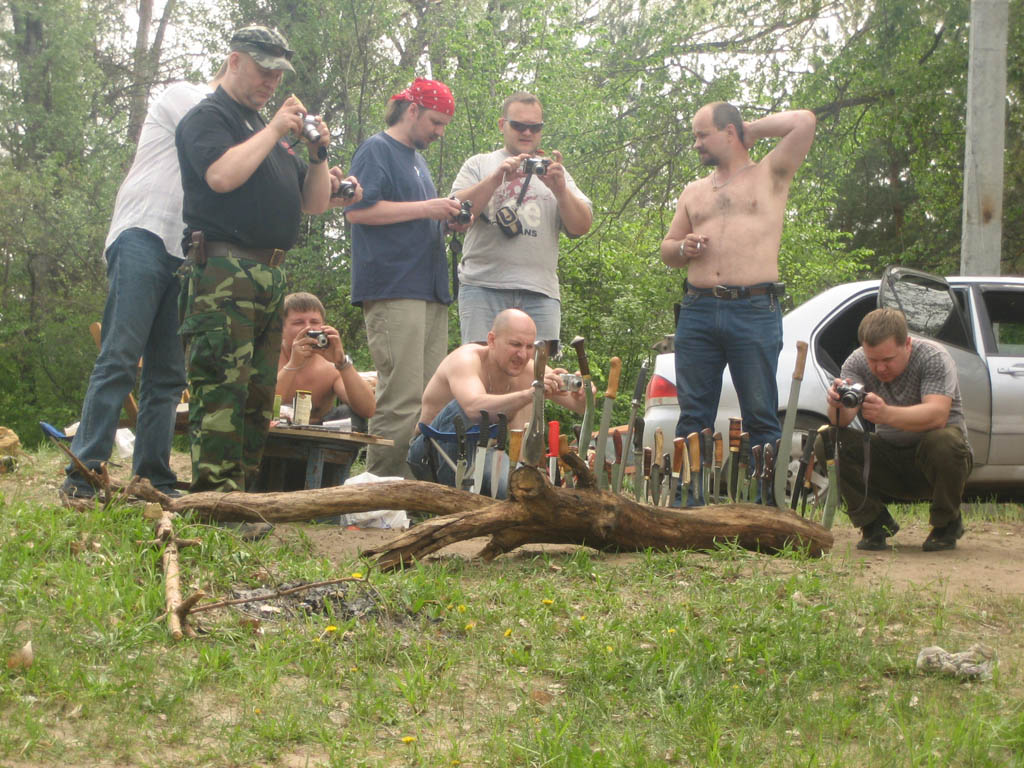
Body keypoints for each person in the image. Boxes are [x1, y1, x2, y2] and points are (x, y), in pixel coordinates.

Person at [175, 25, 355, 493]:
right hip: (223, 270)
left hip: (268, 275)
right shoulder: (209, 117)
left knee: (258, 396)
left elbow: (314, 203)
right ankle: (215, 498)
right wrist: (275, 127)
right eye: (263, 70)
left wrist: (317, 156)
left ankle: (245, 494)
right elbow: (220, 176)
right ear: (234, 61)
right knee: (222, 388)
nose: (271, 82)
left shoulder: (265, 132)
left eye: (278, 74)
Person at [60, 64, 229, 501]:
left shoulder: (239, 124)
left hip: (188, 250)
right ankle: (83, 475)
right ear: (232, 65)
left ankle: (152, 482)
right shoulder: (186, 96)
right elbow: (226, 150)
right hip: (143, 233)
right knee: (119, 355)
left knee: (169, 375)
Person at [660, 102, 816, 505]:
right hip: (698, 309)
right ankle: (687, 504)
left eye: (702, 135)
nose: (696, 144)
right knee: (693, 414)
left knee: (760, 413)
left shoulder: (771, 173)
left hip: (754, 309)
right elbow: (667, 250)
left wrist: (751, 129)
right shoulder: (694, 191)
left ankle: (767, 507)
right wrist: (682, 247)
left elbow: (804, 121)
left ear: (729, 132)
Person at [344, 77, 470, 479]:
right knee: (400, 398)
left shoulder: (417, 160)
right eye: (436, 122)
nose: (440, 132)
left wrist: (446, 221)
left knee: (430, 400)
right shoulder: (376, 149)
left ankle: (413, 492)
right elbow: (356, 212)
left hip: (430, 291)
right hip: (393, 288)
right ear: (412, 110)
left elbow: (414, 218)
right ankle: (378, 492)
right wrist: (426, 208)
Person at [824, 308, 972, 552]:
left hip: (938, 462)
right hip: (891, 459)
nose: (880, 368)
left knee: (944, 440)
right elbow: (841, 422)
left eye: (888, 359)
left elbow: (937, 415)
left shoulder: (933, 357)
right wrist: (836, 404)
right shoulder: (856, 362)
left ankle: (947, 523)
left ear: (908, 344)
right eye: (873, 360)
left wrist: (886, 414)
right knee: (829, 440)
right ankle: (874, 523)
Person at [449, 92, 593, 344]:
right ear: (502, 124)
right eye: (518, 126)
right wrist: (496, 179)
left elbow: (581, 226)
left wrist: (560, 190)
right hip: (483, 286)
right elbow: (455, 213)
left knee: (539, 367)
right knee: (480, 362)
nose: (527, 133)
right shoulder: (479, 164)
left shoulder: (555, 172)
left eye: (535, 127)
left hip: (540, 293)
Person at [408, 309, 586, 486]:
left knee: (519, 488)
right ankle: (456, 494)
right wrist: (530, 394)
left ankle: (474, 493)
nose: (523, 355)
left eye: (529, 347)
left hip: (484, 454)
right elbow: (473, 408)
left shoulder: (528, 369)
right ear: (492, 340)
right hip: (429, 455)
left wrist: (584, 395)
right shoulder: (465, 360)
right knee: (462, 407)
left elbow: (580, 407)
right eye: (515, 344)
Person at [276, 292, 375, 424]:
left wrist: (342, 363)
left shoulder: (330, 368)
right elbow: (262, 405)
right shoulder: (268, 358)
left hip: (318, 434)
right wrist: (293, 364)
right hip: (270, 433)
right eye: (298, 323)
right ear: (281, 328)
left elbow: (368, 410)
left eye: (314, 322)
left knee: (349, 414)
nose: (308, 328)